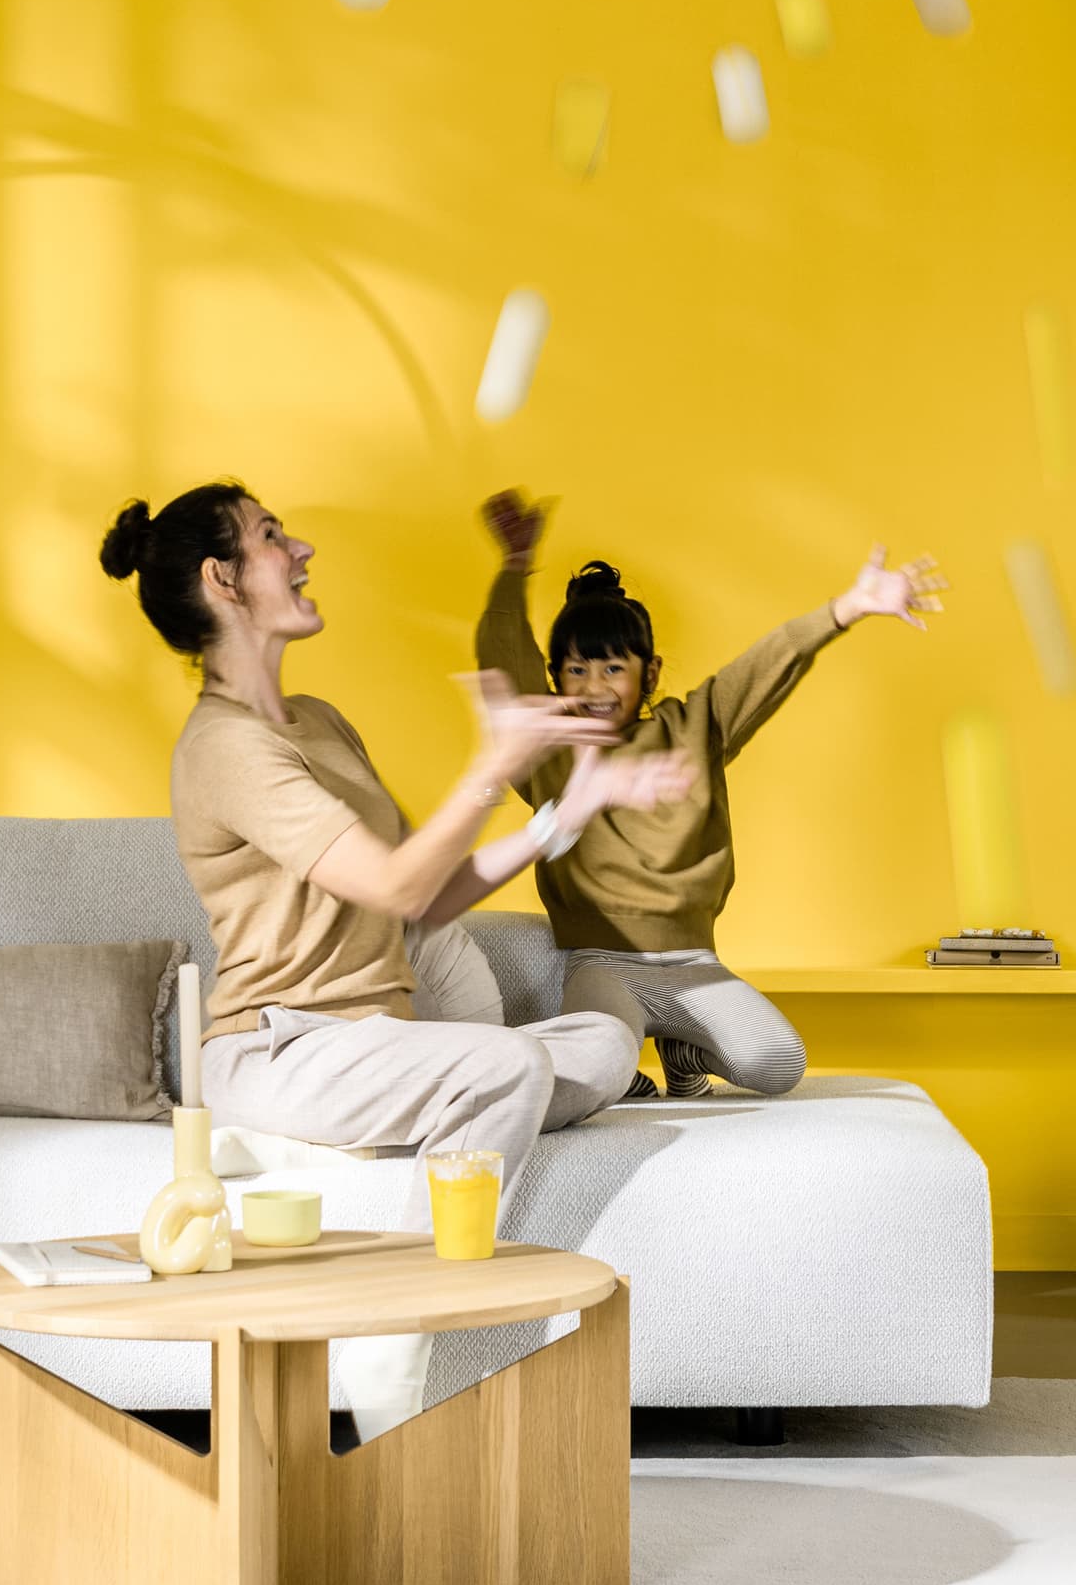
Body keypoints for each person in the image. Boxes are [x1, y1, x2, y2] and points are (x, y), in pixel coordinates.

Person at [101, 481, 698, 1279]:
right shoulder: (222, 747)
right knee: (509, 1064)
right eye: (272, 536)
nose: (301, 550)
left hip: (383, 1043)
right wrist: (496, 761)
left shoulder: (320, 720)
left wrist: (562, 814)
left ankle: (432, 1107)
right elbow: (400, 887)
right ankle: (411, 1314)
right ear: (225, 579)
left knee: (602, 1047)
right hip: (284, 1049)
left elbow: (433, 894)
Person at [476, 490, 944, 1097]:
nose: (594, 684)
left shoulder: (694, 724)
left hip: (694, 963)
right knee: (588, 1067)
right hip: (600, 962)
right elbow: (502, 660)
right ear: (556, 678)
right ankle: (625, 1075)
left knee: (778, 1065)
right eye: (576, 669)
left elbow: (768, 663)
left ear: (650, 671)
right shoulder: (547, 747)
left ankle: (682, 1047)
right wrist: (515, 567)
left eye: (613, 668)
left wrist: (846, 609)